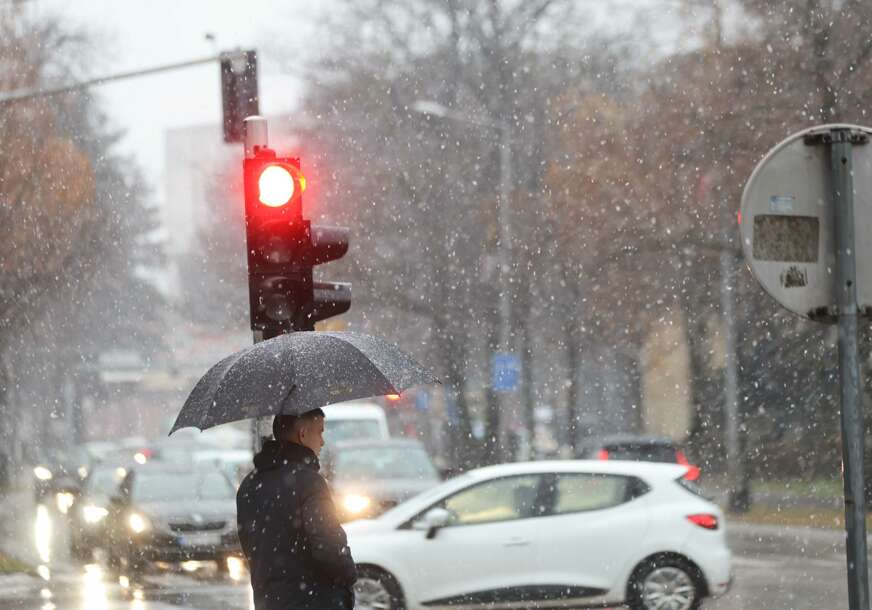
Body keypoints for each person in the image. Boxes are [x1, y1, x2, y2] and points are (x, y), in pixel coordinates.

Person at [237, 408, 357, 610]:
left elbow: (249, 544)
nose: (322, 441)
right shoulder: (310, 482)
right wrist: (349, 573)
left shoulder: (249, 484)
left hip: (269, 600)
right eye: (320, 432)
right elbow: (328, 545)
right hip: (315, 600)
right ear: (303, 434)